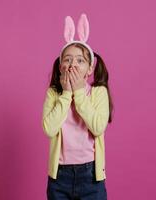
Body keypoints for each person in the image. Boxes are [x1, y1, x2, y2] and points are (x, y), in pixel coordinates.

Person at [42, 13, 113, 200]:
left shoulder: (99, 93)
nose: (73, 64)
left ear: (90, 69)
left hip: (91, 176)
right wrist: (66, 94)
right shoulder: (54, 94)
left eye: (80, 60)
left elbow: (98, 127)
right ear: (60, 67)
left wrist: (79, 92)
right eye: (67, 59)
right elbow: (49, 129)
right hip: (60, 176)